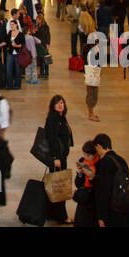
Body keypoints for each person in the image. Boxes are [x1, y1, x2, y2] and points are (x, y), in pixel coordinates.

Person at [92, 134, 129, 227]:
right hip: (126, 209)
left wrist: (101, 217)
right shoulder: (121, 160)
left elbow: (103, 192)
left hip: (113, 212)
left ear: (99, 146)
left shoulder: (104, 162)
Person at [44, 95, 73, 224]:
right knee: (60, 186)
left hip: (61, 157)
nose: (60, 105)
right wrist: (55, 158)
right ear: (53, 106)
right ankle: (61, 216)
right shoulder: (52, 120)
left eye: (62, 102)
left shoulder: (61, 118)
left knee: (56, 185)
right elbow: (51, 140)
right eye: (57, 103)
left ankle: (52, 213)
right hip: (57, 158)